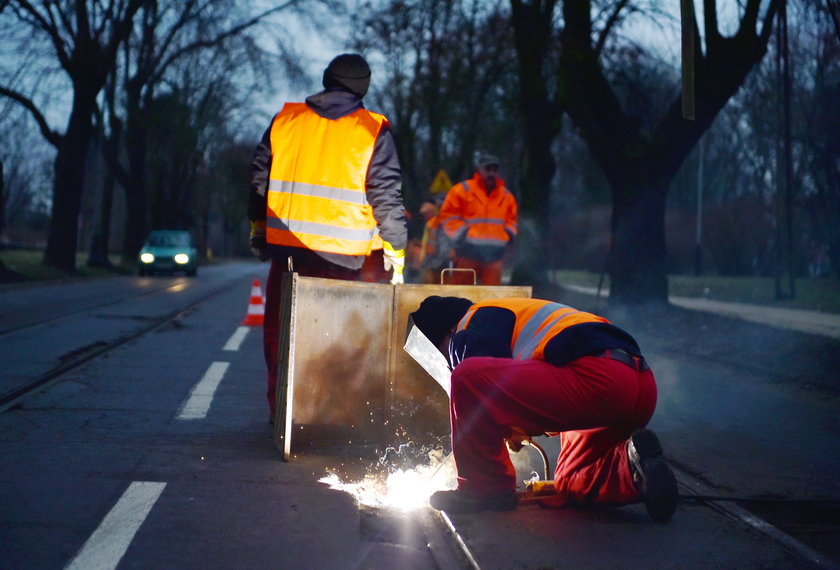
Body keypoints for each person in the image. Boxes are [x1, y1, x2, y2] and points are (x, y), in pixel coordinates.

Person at [408, 296, 679, 522]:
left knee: (466, 377)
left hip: (596, 379)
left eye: (441, 353)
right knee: (570, 479)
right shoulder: (518, 314)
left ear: (445, 333)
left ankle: (484, 488)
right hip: (638, 386)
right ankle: (635, 469)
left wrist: (499, 432)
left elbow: (479, 385)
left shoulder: (470, 322)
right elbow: (516, 387)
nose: (446, 360)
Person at [249, 53, 408, 421]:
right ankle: (321, 415)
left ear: (326, 79)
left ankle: (282, 413)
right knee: (332, 337)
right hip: (343, 257)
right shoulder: (371, 130)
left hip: (287, 250)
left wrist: (259, 229)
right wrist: (395, 250)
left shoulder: (286, 120)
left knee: (280, 330)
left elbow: (259, 180)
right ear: (363, 87)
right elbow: (385, 193)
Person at [438, 155, 517, 285]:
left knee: (493, 297)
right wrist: (462, 235)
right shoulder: (462, 190)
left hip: (494, 256)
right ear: (479, 169)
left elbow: (511, 220)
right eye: (488, 169)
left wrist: (508, 234)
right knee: (460, 295)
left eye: (495, 170)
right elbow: (448, 216)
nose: (491, 173)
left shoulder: (506, 196)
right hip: (467, 253)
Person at [417, 193, 451, 284]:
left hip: (449, 265)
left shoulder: (454, 223)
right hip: (432, 265)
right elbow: (428, 245)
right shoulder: (432, 223)